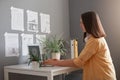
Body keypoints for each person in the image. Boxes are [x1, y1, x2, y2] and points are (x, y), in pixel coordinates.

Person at [43, 11, 117, 80]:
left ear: (89, 23)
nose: (80, 25)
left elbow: (79, 62)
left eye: (82, 22)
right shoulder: (96, 39)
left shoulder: (95, 41)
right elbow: (81, 60)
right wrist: (60, 61)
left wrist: (55, 62)